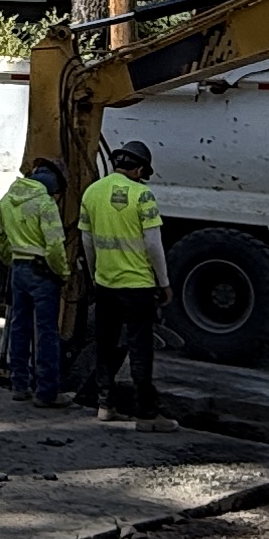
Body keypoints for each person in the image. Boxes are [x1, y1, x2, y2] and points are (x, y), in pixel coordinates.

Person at [74, 139, 175, 427]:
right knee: (140, 349)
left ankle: (105, 405)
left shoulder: (92, 192)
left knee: (105, 346)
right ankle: (147, 414)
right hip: (138, 287)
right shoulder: (143, 195)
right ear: (139, 170)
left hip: (106, 285)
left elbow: (87, 241)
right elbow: (153, 245)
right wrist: (163, 282)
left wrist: (95, 275)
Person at [0, 155, 71, 407]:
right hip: (43, 272)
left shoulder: (8, 199)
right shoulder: (45, 204)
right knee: (46, 332)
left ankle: (19, 385)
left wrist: (11, 258)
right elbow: (55, 245)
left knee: (19, 326)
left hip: (18, 270)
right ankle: (46, 392)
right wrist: (63, 273)